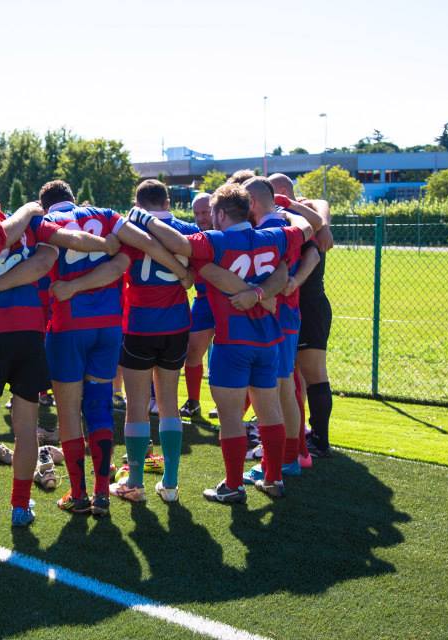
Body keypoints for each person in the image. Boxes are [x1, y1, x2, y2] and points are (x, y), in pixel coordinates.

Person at [131, 183, 316, 502]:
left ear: (219, 213)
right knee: (269, 412)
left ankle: (233, 485)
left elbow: (177, 242)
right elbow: (309, 228)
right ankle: (273, 479)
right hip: (269, 340)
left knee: (231, 418)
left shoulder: (215, 240)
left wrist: (144, 219)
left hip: (232, 343)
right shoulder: (274, 236)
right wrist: (287, 210)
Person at [0, 190, 121, 526]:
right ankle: (20, 505)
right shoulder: (31, 225)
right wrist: (105, 245)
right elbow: (69, 240)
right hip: (31, 332)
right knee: (26, 427)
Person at [39, 179, 191, 516]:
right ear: (75, 199)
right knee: (99, 406)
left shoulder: (46, 223)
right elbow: (135, 253)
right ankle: (102, 494)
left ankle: (78, 493)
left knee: (68, 411)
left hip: (67, 326)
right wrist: (181, 270)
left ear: (45, 203)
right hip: (109, 328)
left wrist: (71, 287)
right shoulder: (107, 215)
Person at [110, 179, 200, 504]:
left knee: (136, 406)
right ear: (166, 201)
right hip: (176, 324)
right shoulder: (186, 229)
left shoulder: (128, 229)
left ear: (138, 202)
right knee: (168, 402)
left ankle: (135, 482)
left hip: (138, 325)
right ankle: (171, 484)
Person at [241, 177, 323, 483]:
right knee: (285, 387)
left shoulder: (261, 232)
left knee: (271, 391)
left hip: (272, 318)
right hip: (290, 316)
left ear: (251, 202)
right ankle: (290, 457)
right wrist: (295, 282)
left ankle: (280, 462)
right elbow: (313, 251)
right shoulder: (290, 224)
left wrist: (284, 286)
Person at [268, 174, 334, 458]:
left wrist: (293, 282)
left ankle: (319, 439)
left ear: (282, 193)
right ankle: (297, 436)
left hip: (308, 305)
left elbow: (315, 250)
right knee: (291, 375)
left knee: (313, 373)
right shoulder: (295, 217)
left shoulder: (298, 217)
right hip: (296, 306)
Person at [180, 192, 215, 419]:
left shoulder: (228, 234)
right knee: (192, 353)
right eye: (197, 213)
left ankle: (236, 407)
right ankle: (193, 401)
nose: (201, 217)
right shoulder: (193, 235)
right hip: (203, 301)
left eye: (206, 212)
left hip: (231, 302)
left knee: (230, 356)